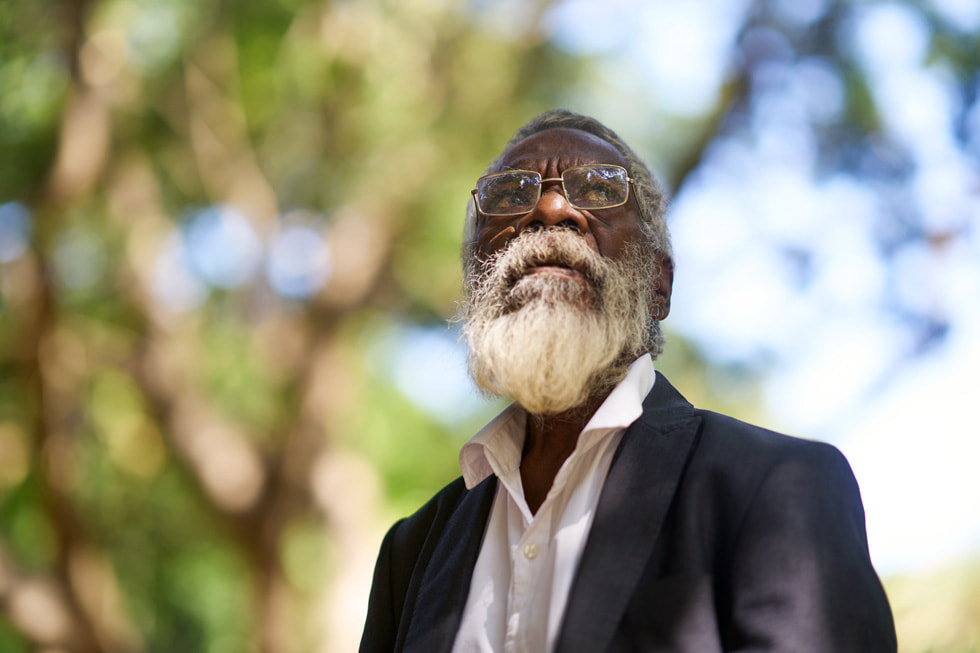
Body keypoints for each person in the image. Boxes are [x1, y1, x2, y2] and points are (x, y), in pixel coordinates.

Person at [360, 109, 896, 652]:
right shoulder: (411, 553)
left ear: (659, 287)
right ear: (476, 275)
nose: (549, 209)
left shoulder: (779, 487)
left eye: (597, 190)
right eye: (510, 195)